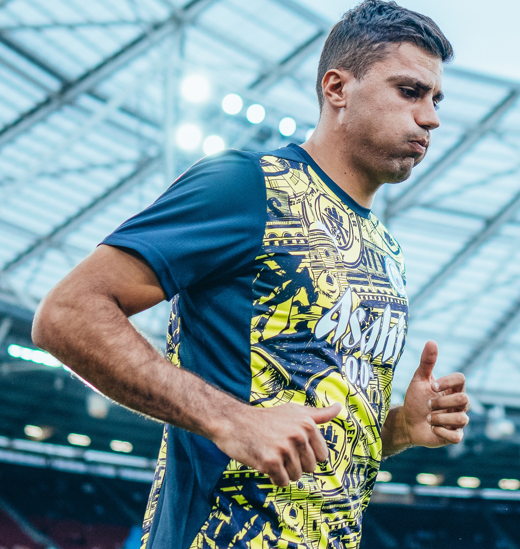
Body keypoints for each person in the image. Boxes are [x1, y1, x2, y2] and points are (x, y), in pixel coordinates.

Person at [32, 1, 469, 548]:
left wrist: (399, 429)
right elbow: (66, 313)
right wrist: (230, 420)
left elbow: (307, 440)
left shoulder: (384, 250)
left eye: (435, 99)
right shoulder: (247, 186)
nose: (430, 117)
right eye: (410, 92)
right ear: (337, 88)